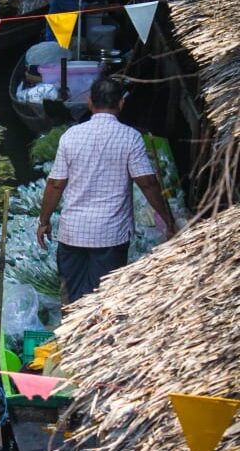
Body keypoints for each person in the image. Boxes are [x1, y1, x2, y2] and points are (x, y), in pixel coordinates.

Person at [36, 77, 176, 303]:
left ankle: (71, 335)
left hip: (73, 232)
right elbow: (148, 183)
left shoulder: (71, 136)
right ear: (121, 104)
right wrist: (168, 221)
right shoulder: (130, 138)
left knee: (71, 296)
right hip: (110, 236)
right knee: (103, 300)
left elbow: (55, 184)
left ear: (90, 103)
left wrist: (44, 221)